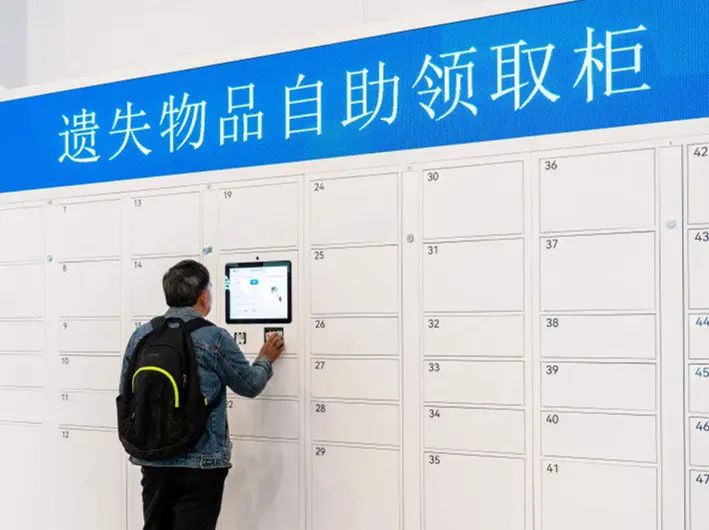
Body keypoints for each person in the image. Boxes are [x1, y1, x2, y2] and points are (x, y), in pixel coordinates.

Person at [118, 259, 285, 530]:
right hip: (202, 463)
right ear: (203, 297)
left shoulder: (142, 335)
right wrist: (265, 358)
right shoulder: (213, 337)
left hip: (153, 457)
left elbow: (126, 393)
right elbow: (250, 385)